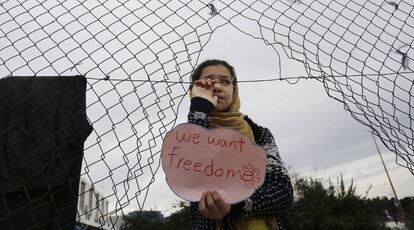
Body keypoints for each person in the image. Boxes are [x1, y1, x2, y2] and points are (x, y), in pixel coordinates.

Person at [187, 59, 293, 230]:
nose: (217, 87)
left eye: (225, 81)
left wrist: (236, 206)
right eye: (208, 82)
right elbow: (193, 171)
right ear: (194, 90)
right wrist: (199, 109)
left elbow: (283, 193)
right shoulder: (184, 137)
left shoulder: (258, 134)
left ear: (235, 90)